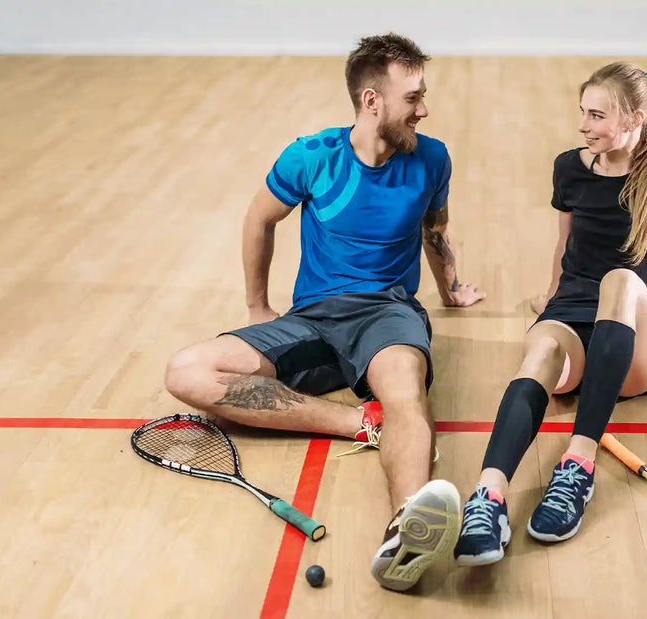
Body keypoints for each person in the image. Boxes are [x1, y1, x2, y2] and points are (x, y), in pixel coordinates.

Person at [163, 33, 485, 591]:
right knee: (185, 370)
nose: (424, 109)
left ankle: (407, 529)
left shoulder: (431, 158)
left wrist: (450, 288)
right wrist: (257, 306)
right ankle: (357, 422)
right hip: (310, 319)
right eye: (412, 98)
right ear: (371, 101)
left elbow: (436, 229)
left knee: (405, 390)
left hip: (388, 313)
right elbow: (258, 220)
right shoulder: (312, 156)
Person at [454, 62, 647, 566]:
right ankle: (488, 497)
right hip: (573, 314)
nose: (583, 126)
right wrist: (550, 298)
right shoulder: (569, 167)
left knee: (619, 279)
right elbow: (563, 244)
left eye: (597, 115)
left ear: (635, 117)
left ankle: (577, 465)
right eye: (582, 113)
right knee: (542, 347)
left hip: (636, 339)